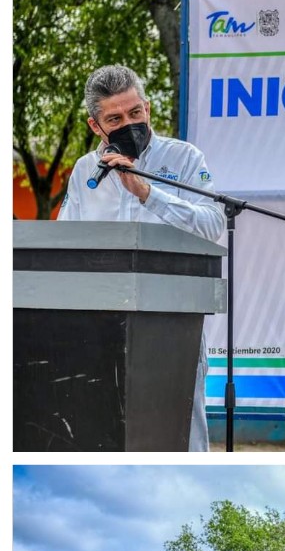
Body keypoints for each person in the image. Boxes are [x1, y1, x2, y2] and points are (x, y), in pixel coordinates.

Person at [59, 65, 224, 452]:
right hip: (98, 320)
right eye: (115, 118)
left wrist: (147, 192)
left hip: (173, 319)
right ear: (95, 125)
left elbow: (212, 223)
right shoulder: (86, 171)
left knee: (182, 424)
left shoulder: (183, 158)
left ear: (148, 108)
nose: (129, 123)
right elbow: (65, 242)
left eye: (135, 113)